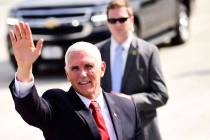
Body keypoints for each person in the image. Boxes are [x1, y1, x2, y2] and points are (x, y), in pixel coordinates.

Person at [8, 22, 145, 140]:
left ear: (102, 68)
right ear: (67, 74)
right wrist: (24, 67)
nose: (83, 74)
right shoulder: (58, 105)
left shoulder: (127, 108)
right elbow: (32, 110)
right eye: (75, 68)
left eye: (88, 66)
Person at [97, 0, 169, 140]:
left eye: (122, 19)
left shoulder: (148, 51)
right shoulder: (97, 52)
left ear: (131, 20)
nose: (117, 24)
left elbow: (161, 95)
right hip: (109, 128)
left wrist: (131, 100)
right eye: (112, 20)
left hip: (142, 129)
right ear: (107, 22)